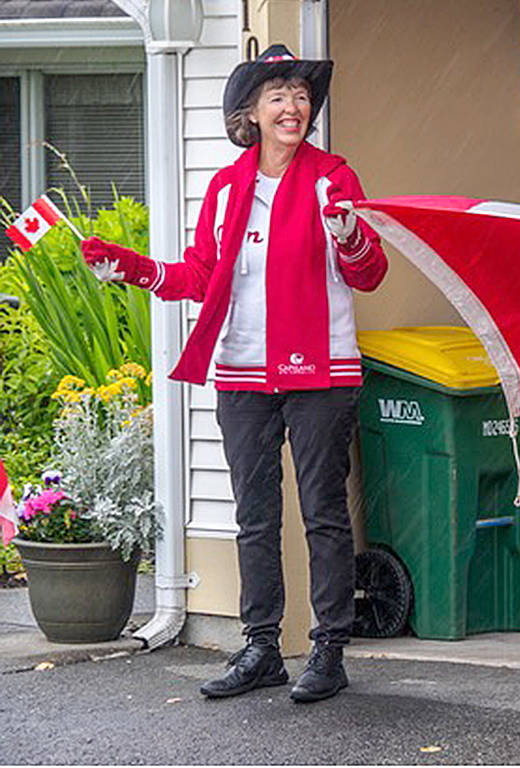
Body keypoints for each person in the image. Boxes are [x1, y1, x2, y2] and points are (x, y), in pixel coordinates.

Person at [79, 44, 388, 704]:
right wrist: (131, 267)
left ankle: (330, 649)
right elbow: (198, 277)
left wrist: (348, 235)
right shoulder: (225, 189)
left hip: (322, 372)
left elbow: (368, 272)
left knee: (324, 515)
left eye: (301, 95)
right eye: (278, 95)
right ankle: (262, 648)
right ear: (250, 111)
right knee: (254, 517)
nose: (294, 106)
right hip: (243, 374)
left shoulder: (335, 178)